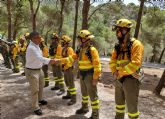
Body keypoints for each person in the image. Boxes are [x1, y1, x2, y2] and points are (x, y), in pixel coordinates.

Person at [109, 19, 144, 119]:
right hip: (118, 80)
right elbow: (112, 61)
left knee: (132, 109)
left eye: (118, 31)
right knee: (119, 106)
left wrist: (120, 73)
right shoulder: (118, 46)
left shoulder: (136, 44)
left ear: (125, 31)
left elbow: (135, 63)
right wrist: (114, 72)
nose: (117, 33)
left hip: (131, 80)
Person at [25, 31, 58, 116]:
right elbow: (39, 58)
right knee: (35, 90)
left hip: (39, 70)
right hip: (32, 71)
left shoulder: (37, 46)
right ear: (33, 39)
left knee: (41, 86)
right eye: (39, 37)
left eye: (40, 37)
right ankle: (35, 107)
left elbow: (41, 57)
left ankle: (39, 100)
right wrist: (51, 61)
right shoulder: (31, 47)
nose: (40, 39)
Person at [73, 30, 101, 119]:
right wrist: (62, 60)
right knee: (84, 93)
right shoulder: (81, 49)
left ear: (85, 39)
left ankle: (95, 115)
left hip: (89, 75)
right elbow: (73, 58)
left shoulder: (92, 50)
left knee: (93, 95)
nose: (78, 40)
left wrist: (95, 78)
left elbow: (97, 65)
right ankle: (85, 108)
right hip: (82, 74)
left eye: (80, 39)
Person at [60, 35, 77, 105]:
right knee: (67, 82)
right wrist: (62, 67)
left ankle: (73, 99)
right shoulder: (64, 49)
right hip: (65, 68)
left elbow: (71, 60)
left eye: (62, 42)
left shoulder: (69, 49)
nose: (61, 43)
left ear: (66, 42)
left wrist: (66, 67)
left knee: (71, 83)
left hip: (69, 69)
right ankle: (69, 94)